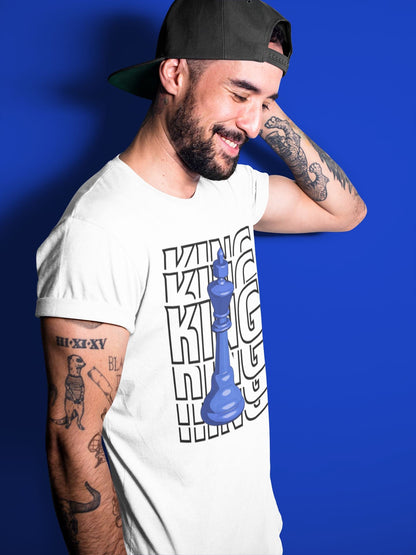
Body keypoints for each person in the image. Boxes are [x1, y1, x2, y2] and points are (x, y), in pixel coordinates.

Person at [36, 0, 366, 554]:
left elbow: (346, 211)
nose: (253, 125)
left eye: (267, 103)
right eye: (238, 94)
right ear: (174, 74)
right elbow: (73, 444)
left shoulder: (231, 190)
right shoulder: (98, 230)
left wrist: (257, 105)